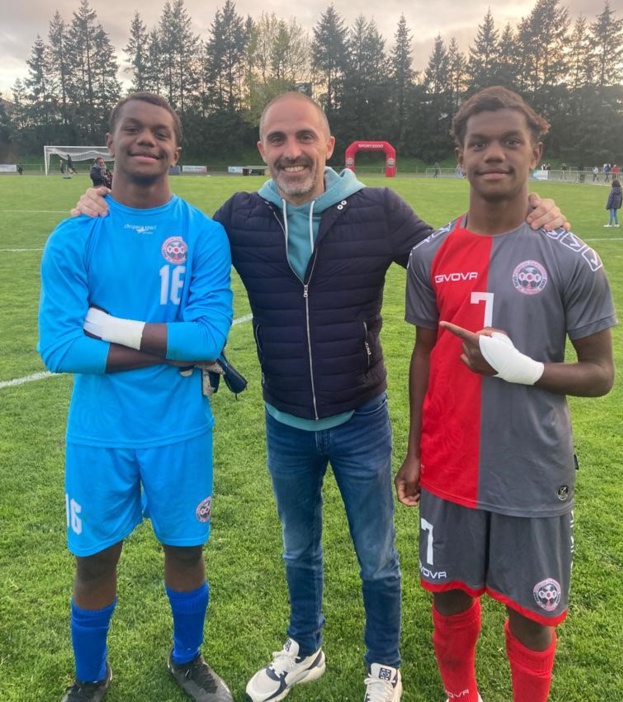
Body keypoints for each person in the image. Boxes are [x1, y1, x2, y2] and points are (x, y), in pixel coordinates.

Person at [71, 91, 567, 702]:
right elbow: (169, 239)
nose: (292, 151)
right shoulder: (240, 216)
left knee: (376, 556)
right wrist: (100, 204)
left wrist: (528, 210)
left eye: (305, 136)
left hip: (361, 417)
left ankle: (383, 662)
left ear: (329, 146)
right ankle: (304, 647)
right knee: (297, 550)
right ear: (262, 149)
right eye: (278, 139)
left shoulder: (378, 208)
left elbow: (454, 259)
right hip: (284, 422)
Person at [395, 86, 616, 702]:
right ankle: (460, 696)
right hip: (449, 465)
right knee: (449, 596)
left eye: (511, 141)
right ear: (461, 156)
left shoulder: (572, 257)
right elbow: (423, 353)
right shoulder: (429, 255)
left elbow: (601, 374)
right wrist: (414, 452)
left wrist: (526, 370)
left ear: (534, 153)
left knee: (532, 614)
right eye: (480, 143)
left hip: (533, 471)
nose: (495, 153)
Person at [38, 92, 234, 702]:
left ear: (176, 149)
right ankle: (90, 677)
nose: (146, 139)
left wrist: (108, 327)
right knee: (95, 560)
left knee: (186, 552)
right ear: (111, 143)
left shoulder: (203, 234)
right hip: (100, 433)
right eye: (133, 129)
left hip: (180, 429)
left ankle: (187, 659)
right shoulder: (75, 237)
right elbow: (59, 349)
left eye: (160, 132)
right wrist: (172, 350)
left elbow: (209, 337)